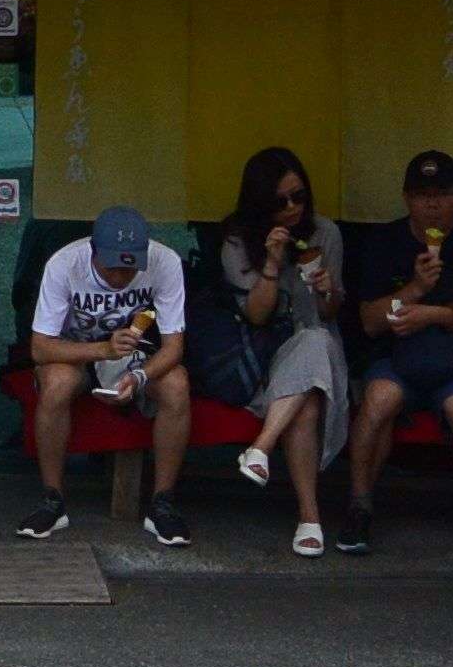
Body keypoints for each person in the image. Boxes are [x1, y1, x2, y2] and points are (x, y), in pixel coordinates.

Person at [344, 146, 453, 559]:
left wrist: (436, 313)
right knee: (379, 399)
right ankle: (359, 507)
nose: (433, 204)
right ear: (407, 198)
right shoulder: (384, 242)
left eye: (442, 194)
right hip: (397, 357)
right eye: (423, 195)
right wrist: (413, 292)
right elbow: (372, 320)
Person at [20, 202, 194, 548]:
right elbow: (40, 348)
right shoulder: (65, 264)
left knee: (177, 383)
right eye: (112, 267)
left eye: (129, 268)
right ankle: (52, 499)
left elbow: (174, 347)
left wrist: (141, 377)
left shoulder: (165, 262)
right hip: (77, 353)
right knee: (56, 383)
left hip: (137, 357)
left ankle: (162, 503)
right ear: (94, 251)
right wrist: (103, 350)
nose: (120, 277)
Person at [211, 147, 350, 559]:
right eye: (280, 201)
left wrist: (327, 289)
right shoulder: (238, 241)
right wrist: (272, 263)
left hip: (319, 349)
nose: (292, 209)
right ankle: (309, 516)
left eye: (299, 197)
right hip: (264, 359)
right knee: (304, 405)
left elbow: (328, 314)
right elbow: (256, 316)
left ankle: (262, 448)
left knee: (317, 340)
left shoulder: (325, 233)